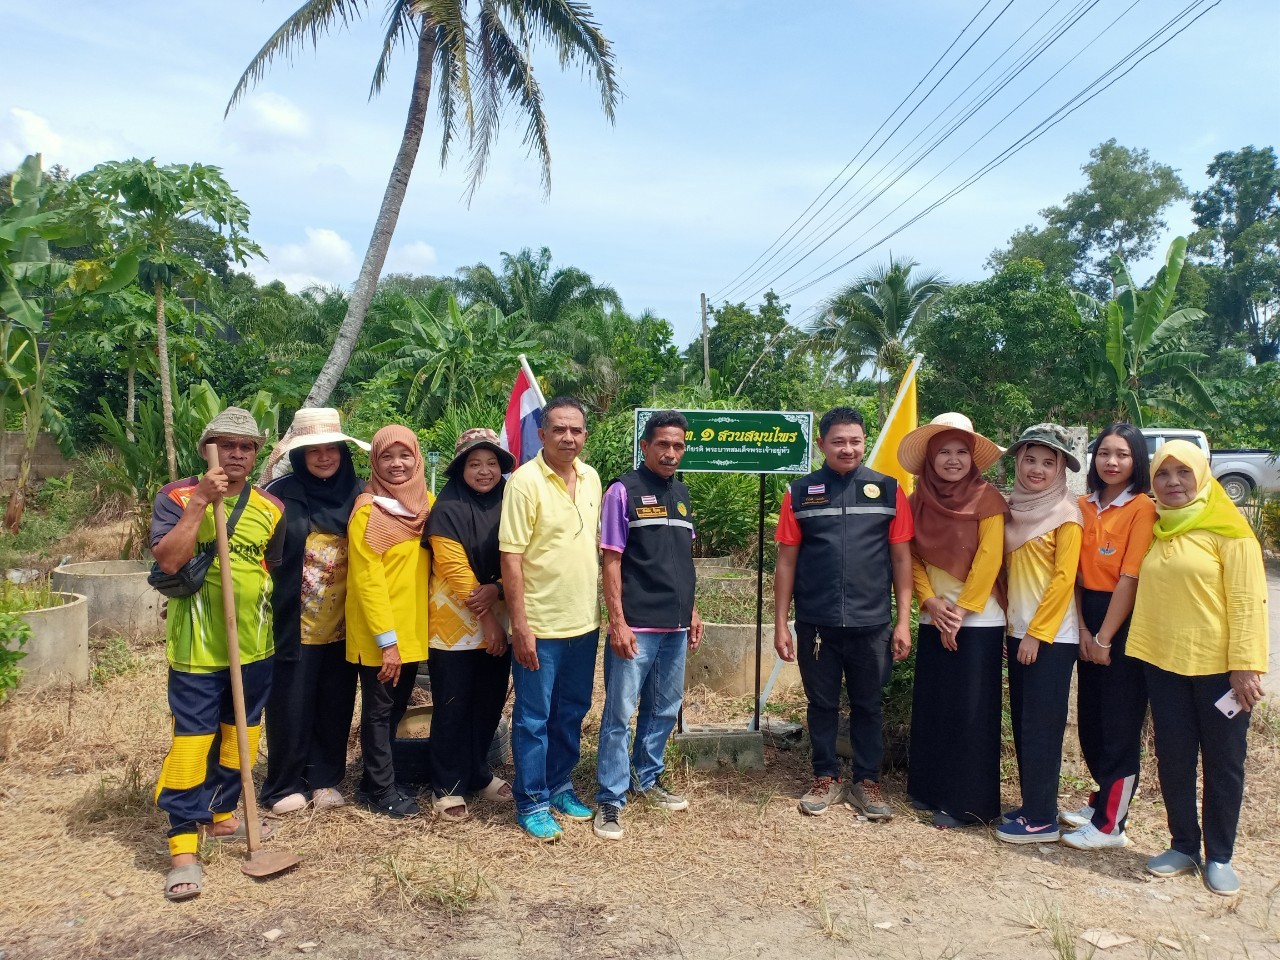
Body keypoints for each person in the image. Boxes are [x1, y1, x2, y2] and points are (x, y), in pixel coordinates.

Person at [151, 407, 284, 902]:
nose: (236, 454)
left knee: (241, 737)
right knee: (192, 742)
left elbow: (272, 567)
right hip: (196, 652)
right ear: (207, 448)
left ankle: (226, 813)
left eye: (245, 447)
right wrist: (200, 506)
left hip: (254, 648)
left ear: (255, 455)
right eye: (226, 444)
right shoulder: (177, 496)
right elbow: (167, 559)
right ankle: (184, 845)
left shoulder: (272, 508)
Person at [1126, 440, 1269, 896]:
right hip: (1164, 665)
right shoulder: (1156, 527)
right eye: (1163, 475)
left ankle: (1220, 855)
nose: (1172, 483)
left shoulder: (1230, 530)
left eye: (1182, 473)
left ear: (1202, 475)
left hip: (1221, 672)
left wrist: (1245, 666)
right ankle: (1184, 845)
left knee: (1225, 763)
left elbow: (1248, 601)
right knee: (1174, 758)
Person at [774, 406, 915, 820]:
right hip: (816, 623)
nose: (847, 448)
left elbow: (902, 560)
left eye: (855, 440)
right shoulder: (798, 493)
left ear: (864, 442)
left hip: (872, 624)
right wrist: (782, 623)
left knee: (869, 704)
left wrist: (903, 620)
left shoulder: (889, 491)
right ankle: (825, 777)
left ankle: (866, 781)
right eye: (838, 441)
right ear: (821, 444)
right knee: (821, 704)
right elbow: (786, 562)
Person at [594, 410, 705, 841]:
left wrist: (692, 611)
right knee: (620, 714)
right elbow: (612, 560)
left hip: (675, 627)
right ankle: (610, 797)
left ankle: (647, 777)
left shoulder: (682, 493)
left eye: (678, 445)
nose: (671, 452)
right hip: (636, 626)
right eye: (662, 444)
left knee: (662, 709)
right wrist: (617, 621)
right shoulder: (624, 490)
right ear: (645, 446)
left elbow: (682, 561)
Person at [500, 396, 603, 842]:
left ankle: (560, 784)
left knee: (572, 711)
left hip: (584, 622)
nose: (567, 437)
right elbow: (511, 557)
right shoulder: (524, 482)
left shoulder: (592, 477)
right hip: (539, 626)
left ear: (584, 435)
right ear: (541, 435)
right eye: (558, 429)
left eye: (575, 430)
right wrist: (520, 625)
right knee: (532, 717)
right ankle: (532, 800)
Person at [898, 412, 1008, 829]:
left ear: (973, 458)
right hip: (934, 619)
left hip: (978, 622)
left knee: (971, 712)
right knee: (935, 707)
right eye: (943, 451)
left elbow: (989, 558)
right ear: (929, 457)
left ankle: (969, 804)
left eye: (961, 451)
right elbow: (910, 557)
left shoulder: (989, 500)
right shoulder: (915, 502)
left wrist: (961, 611)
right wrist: (929, 603)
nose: (953, 459)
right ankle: (929, 790)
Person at [259, 408, 369, 816]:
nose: (324, 457)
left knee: (335, 702)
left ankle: (324, 778)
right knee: (289, 702)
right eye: (313, 451)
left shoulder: (359, 493)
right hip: (292, 620)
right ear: (300, 457)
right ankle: (284, 783)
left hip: (344, 623)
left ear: (343, 451)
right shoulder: (278, 494)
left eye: (331, 449)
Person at [1060, 423, 1156, 851]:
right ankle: (1100, 803)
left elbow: (1131, 577)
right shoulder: (1082, 504)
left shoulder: (1142, 508)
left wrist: (1104, 638)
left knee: (1119, 723)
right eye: (1104, 453)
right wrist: (1083, 629)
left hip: (1124, 620)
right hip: (1087, 614)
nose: (1111, 462)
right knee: (1092, 720)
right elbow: (1076, 576)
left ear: (1136, 462)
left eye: (1122, 455)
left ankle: (1111, 826)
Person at [995, 423, 1083, 845]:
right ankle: (1034, 805)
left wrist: (1037, 635)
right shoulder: (1014, 510)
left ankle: (1042, 820)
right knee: (1026, 724)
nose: (1037, 469)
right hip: (1019, 634)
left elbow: (1064, 580)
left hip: (1049, 639)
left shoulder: (1067, 515)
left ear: (1062, 469)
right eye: (1030, 459)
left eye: (1049, 462)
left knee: (1042, 727)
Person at [424, 427, 516, 822]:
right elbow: (452, 566)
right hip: (455, 625)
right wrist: (488, 619)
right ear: (461, 468)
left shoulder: (511, 503)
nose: (484, 471)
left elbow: (520, 557)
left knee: (489, 701)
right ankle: (446, 784)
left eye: (491, 463)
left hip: (502, 608)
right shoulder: (446, 509)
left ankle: (478, 771)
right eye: (474, 464)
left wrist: (497, 589)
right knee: (453, 704)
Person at [346, 424, 432, 818]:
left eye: (405, 455)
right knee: (380, 711)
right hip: (382, 634)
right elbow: (367, 580)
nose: (397, 464)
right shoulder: (369, 510)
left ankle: (374, 779)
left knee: (395, 708)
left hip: (414, 631)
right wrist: (387, 641)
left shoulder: (425, 505)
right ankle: (381, 790)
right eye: (387, 457)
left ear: (417, 458)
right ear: (374, 463)